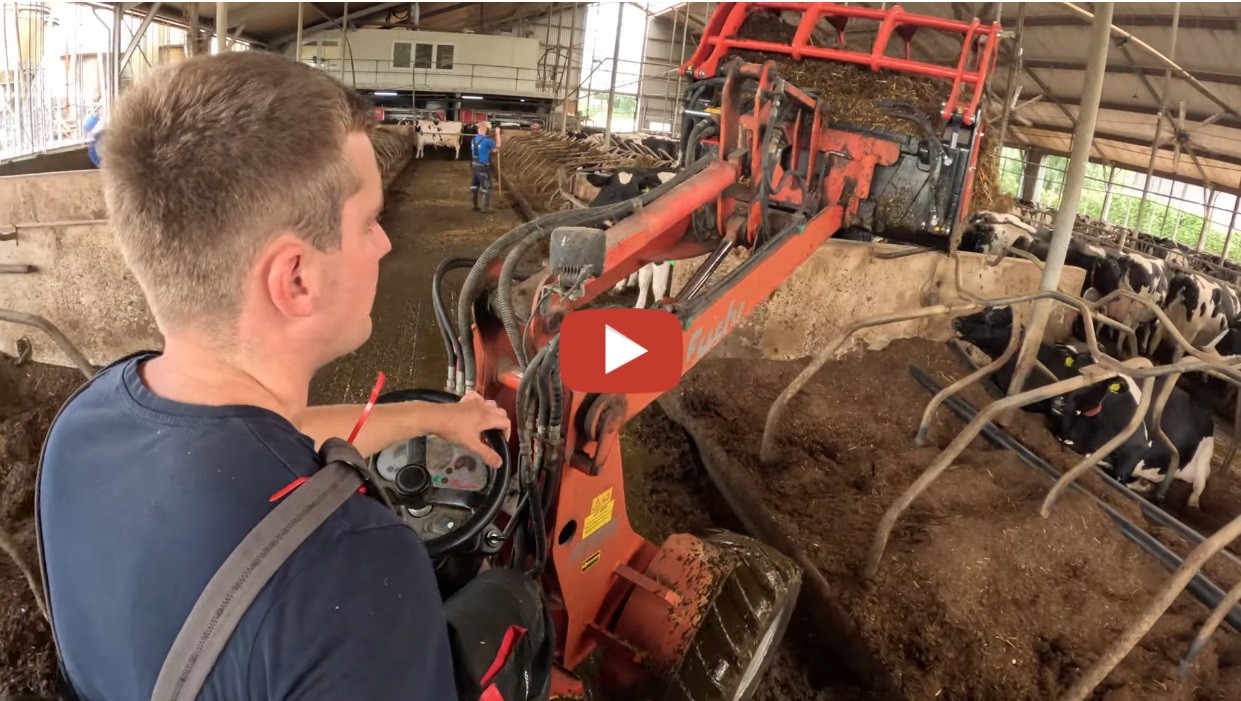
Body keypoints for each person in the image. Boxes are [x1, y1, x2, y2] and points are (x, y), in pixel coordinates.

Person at [38, 52, 549, 700]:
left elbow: (282, 434)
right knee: (512, 600)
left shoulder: (86, 421)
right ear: (297, 279)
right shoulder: (355, 567)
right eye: (369, 222)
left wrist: (436, 415)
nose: (385, 245)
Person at [470, 121, 500, 213]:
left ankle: (475, 206)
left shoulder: (473, 140)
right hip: (483, 167)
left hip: (474, 166)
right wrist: (497, 134)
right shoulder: (487, 141)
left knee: (474, 186)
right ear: (486, 130)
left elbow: (481, 150)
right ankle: (485, 209)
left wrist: (489, 151)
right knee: (487, 187)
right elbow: (498, 146)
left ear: (478, 130)